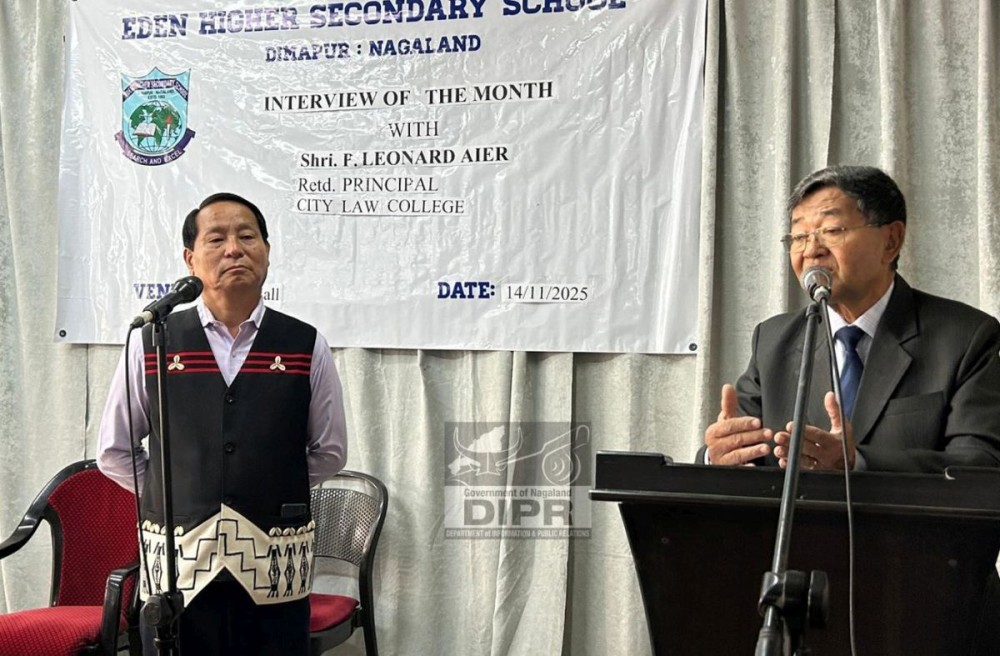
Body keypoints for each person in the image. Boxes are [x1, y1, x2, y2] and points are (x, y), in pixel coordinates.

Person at [97, 192, 347, 655]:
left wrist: (266, 484)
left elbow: (329, 450)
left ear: (267, 252)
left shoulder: (305, 344)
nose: (234, 248)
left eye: (247, 236)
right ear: (191, 259)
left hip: (274, 557)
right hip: (179, 563)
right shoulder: (152, 341)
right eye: (217, 238)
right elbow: (115, 450)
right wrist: (178, 494)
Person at [701, 165, 1000, 473]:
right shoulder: (773, 340)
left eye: (831, 231)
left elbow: (981, 465)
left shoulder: (965, 337)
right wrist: (716, 456)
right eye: (799, 236)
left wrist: (858, 462)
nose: (811, 251)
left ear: (891, 241)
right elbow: (744, 450)